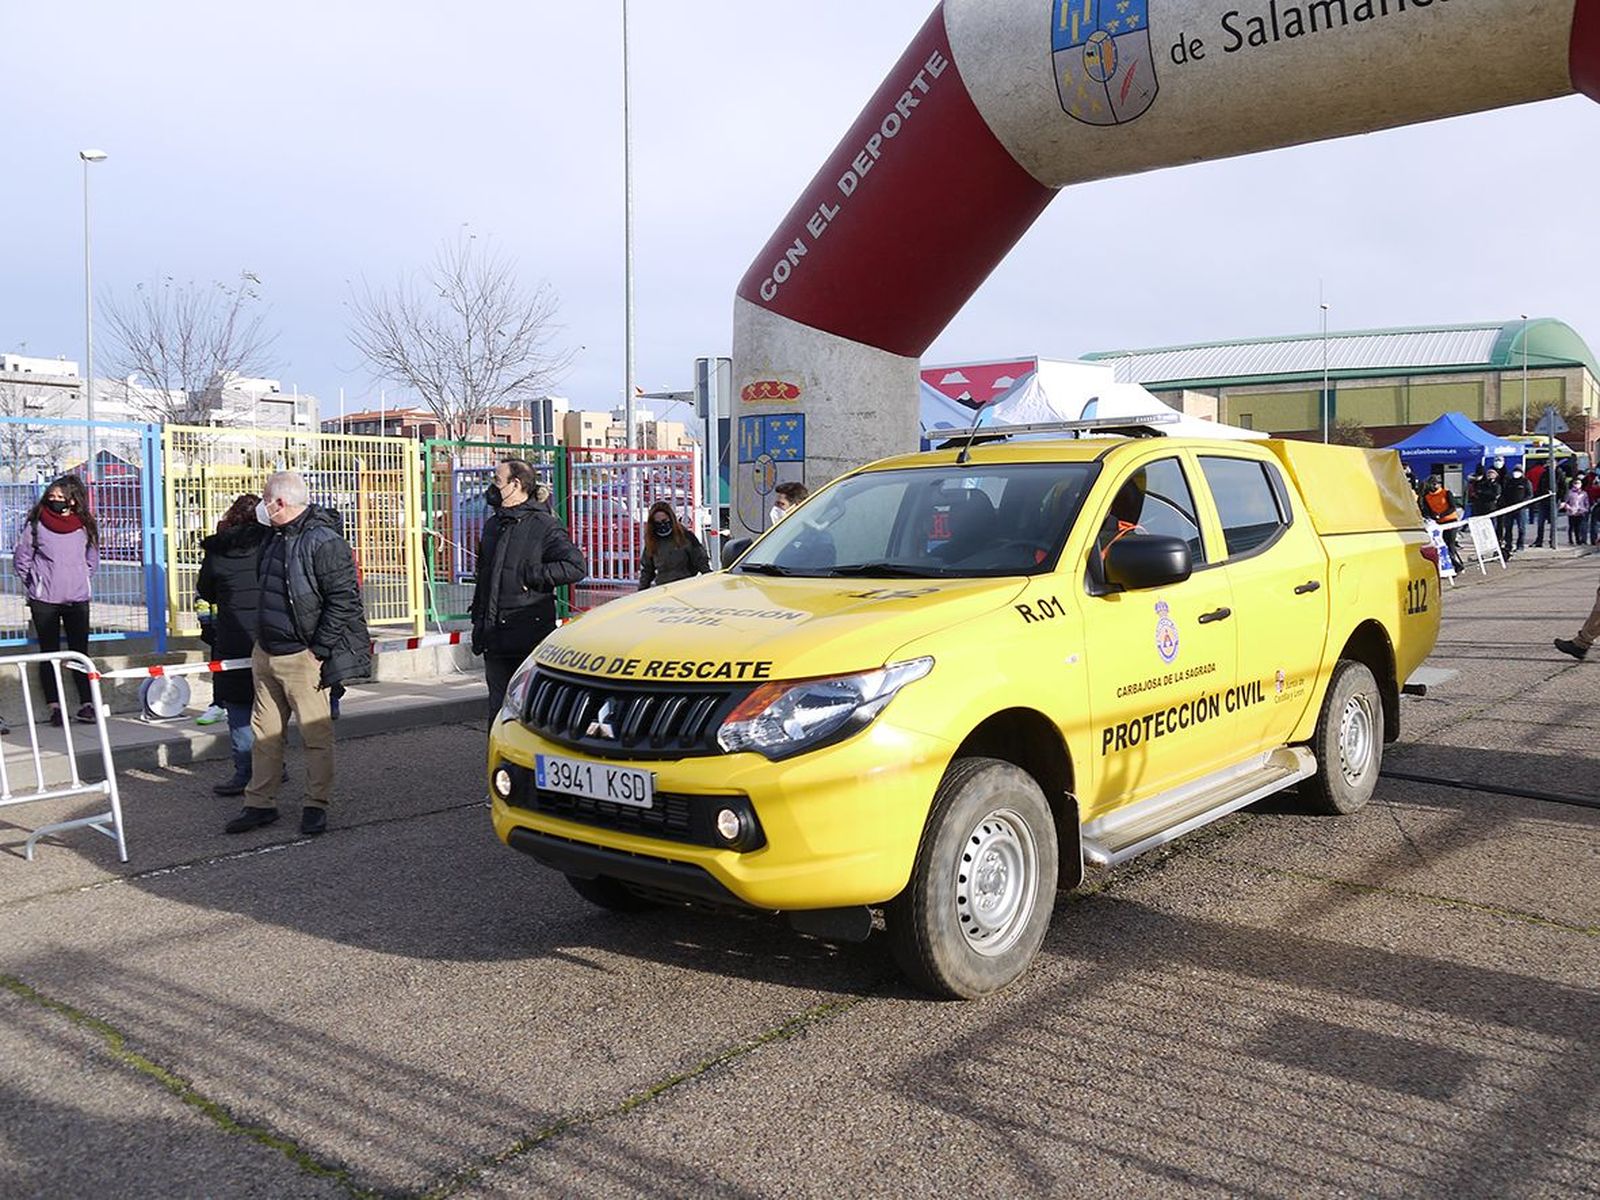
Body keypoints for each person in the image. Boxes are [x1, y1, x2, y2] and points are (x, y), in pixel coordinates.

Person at [224, 472, 370, 837]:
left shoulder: (324, 541)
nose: (260, 506)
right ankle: (260, 804)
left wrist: (318, 651)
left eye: (264, 499)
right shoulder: (272, 536)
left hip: (303, 658)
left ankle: (315, 805)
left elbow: (344, 600)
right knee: (265, 735)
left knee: (315, 736)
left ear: (279, 503)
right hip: (267, 652)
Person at [469, 458, 586, 715]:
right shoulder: (493, 525)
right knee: (498, 710)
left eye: (497, 481)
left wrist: (531, 575)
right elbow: (485, 578)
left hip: (526, 635)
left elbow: (575, 566)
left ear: (516, 484)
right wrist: (479, 620)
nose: (492, 487)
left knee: (529, 710)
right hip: (493, 637)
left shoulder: (543, 525)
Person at [196, 494, 268, 797]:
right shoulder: (272, 544)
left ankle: (245, 772)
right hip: (270, 635)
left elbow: (206, 591)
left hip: (232, 637)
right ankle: (273, 766)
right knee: (270, 705)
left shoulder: (218, 551)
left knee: (239, 707)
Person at [11, 474, 98, 725]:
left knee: (80, 653)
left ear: (74, 500)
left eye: (61, 497)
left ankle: (87, 704)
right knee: (48, 654)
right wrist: (36, 584)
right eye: (52, 496)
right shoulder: (36, 525)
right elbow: (22, 559)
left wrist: (80, 578)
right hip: (45, 601)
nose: (56, 500)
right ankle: (55, 708)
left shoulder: (85, 526)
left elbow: (92, 559)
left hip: (77, 599)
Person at [638, 501, 710, 589]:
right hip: (664, 587)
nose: (662, 525)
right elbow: (647, 570)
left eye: (665, 521)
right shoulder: (652, 541)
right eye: (658, 523)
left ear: (671, 519)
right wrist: (642, 590)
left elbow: (700, 561)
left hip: (685, 586)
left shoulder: (685, 537)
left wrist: (709, 580)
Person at [1418, 477, 1463, 568]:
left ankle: (1455, 565)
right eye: (1432, 484)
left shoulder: (1446, 493)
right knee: (1443, 544)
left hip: (1451, 521)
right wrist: (1432, 515)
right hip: (1439, 523)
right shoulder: (1427, 497)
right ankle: (1454, 564)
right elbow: (1427, 510)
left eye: (1436, 484)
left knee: (1450, 543)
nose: (1434, 486)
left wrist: (1441, 515)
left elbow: (1452, 507)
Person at [1498, 465, 1530, 557]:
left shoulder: (1525, 482)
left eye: (1518, 471)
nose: (1516, 473)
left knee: (1521, 528)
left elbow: (1529, 494)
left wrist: (1523, 503)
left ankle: (1520, 545)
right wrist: (1505, 504)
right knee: (1508, 528)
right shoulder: (1509, 482)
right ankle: (1508, 545)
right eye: (1515, 471)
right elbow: (1504, 494)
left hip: (1521, 509)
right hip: (1509, 508)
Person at [1562, 480, 1590, 546]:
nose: (1577, 485)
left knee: (1578, 527)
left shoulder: (1584, 493)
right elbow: (1566, 502)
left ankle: (1578, 540)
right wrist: (1569, 508)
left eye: (1578, 483)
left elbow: (1586, 503)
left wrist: (1583, 510)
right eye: (1575, 483)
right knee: (1571, 526)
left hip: (1580, 512)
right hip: (1571, 512)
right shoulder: (1569, 493)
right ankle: (1570, 540)